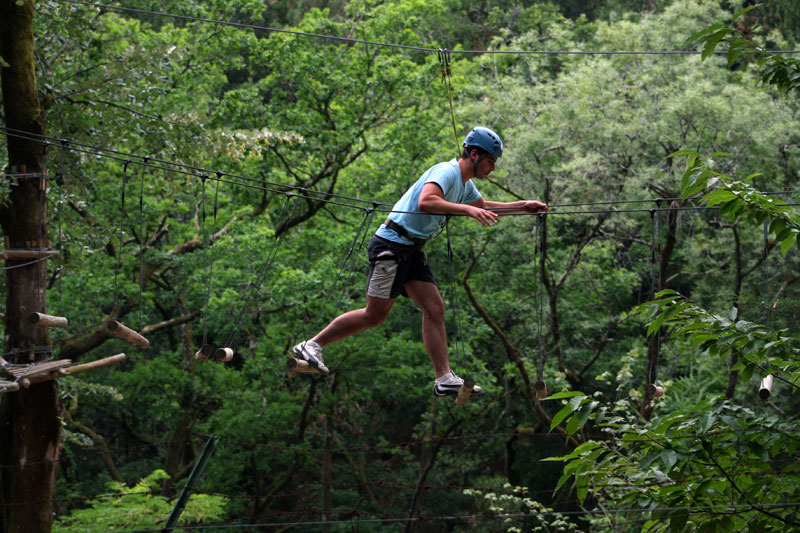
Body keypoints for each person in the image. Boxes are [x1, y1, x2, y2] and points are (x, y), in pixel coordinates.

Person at [293, 127, 547, 396]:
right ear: (474, 154)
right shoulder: (446, 171)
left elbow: (482, 206)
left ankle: (444, 378)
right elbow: (427, 201)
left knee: (435, 307)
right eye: (491, 161)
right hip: (391, 246)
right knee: (374, 315)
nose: (492, 168)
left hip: (412, 250)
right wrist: (466, 210)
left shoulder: (464, 185)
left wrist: (522, 206)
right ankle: (312, 345)